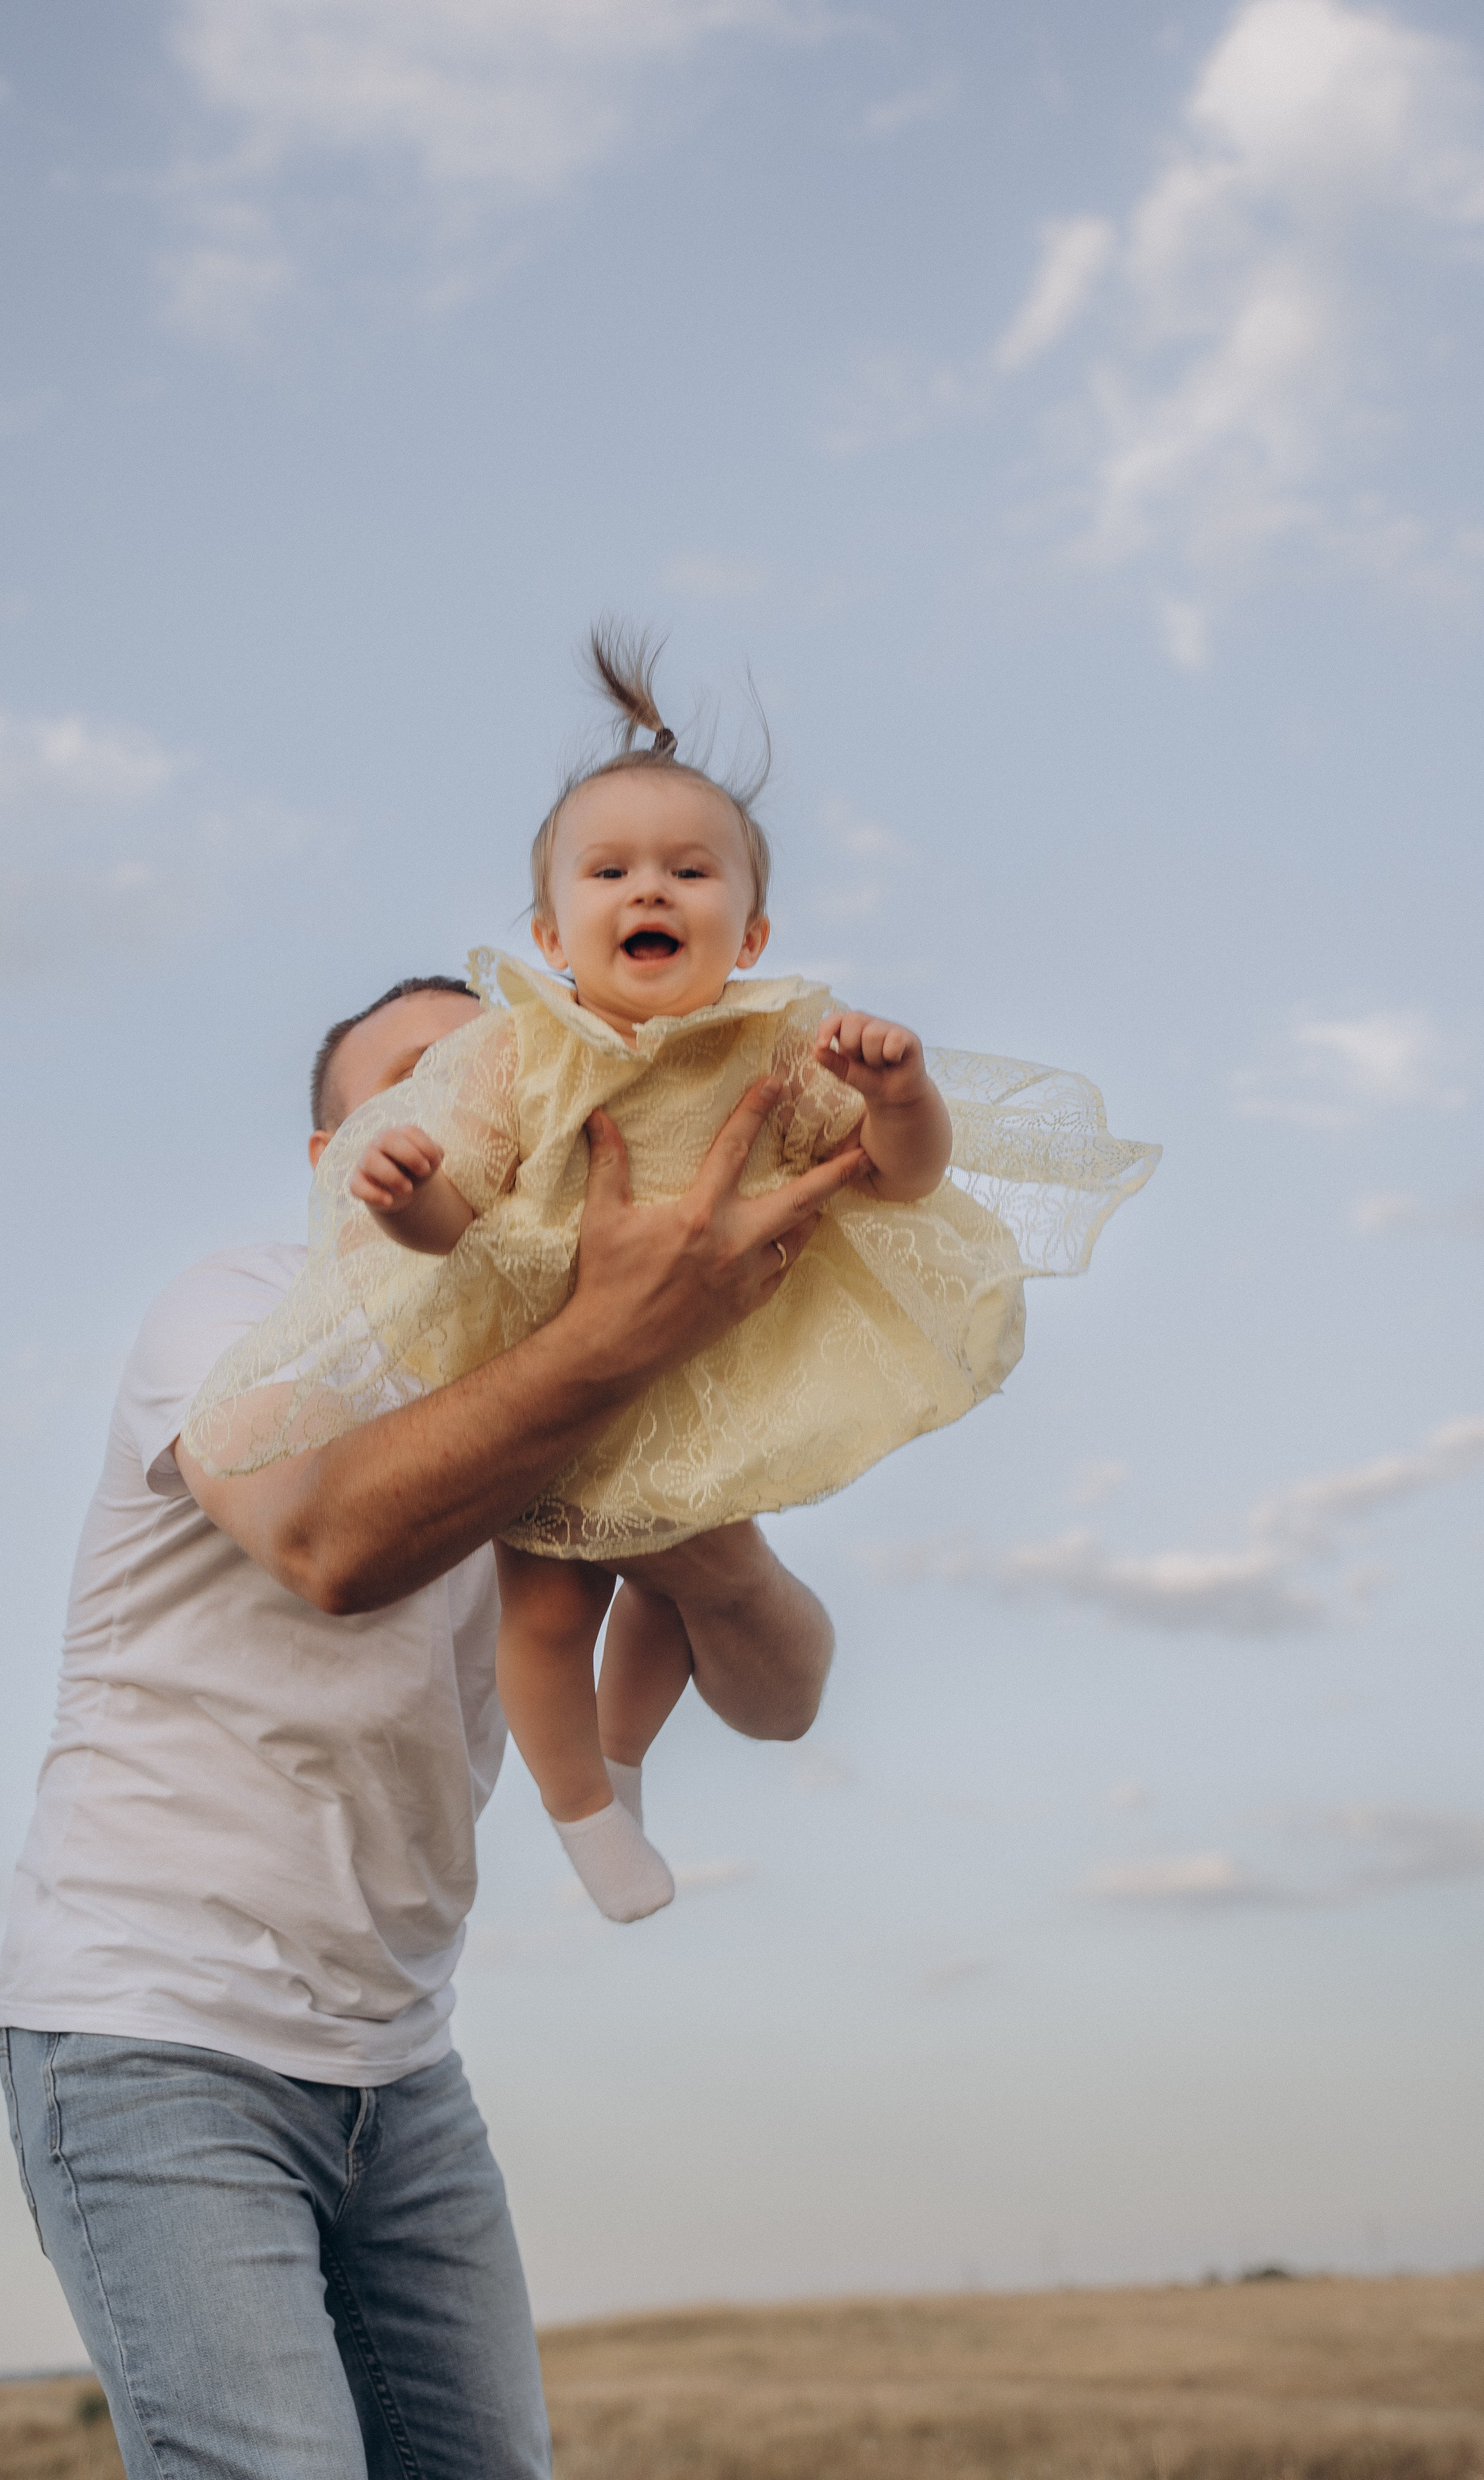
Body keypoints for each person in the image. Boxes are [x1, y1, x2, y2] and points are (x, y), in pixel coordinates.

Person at [0, 971, 857, 2480]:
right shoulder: (235, 1310)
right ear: (336, 1165)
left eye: (502, 1073)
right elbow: (328, 1548)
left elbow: (779, 1691)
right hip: (152, 2030)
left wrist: (676, 1473)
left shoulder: (580, 1372)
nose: (473, 1097)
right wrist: (606, 1350)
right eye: (416, 1077)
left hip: (402, 2070)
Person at [187, 629, 1161, 1927]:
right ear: (547, 931)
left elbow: (896, 1174)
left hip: (697, 1371)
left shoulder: (764, 1042)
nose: (649, 891)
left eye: (686, 872)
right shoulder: (246, 1306)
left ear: (747, 927)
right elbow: (439, 1244)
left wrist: (903, 1095)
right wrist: (411, 1190)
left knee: (666, 1579)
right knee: (546, 1616)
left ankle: (626, 1760)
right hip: (540, 1364)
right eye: (612, 871)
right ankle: (584, 1813)